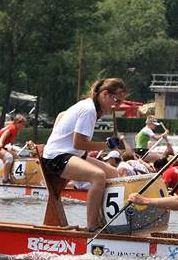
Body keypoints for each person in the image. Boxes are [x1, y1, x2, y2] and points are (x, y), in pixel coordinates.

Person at [40, 78, 124, 230]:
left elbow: (61, 115)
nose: (117, 106)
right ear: (105, 94)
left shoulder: (90, 106)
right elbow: (78, 143)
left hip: (70, 155)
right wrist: (107, 146)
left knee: (113, 173)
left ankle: (103, 220)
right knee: (98, 176)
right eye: (117, 101)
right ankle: (92, 226)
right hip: (57, 158)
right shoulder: (89, 109)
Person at [0, 114, 27, 183]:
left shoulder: (14, 129)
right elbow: (4, 135)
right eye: (23, 125)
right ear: (17, 123)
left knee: (17, 158)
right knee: (9, 157)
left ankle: (15, 178)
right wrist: (1, 143)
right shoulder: (12, 128)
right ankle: (5, 179)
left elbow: (9, 142)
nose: (24, 127)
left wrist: (11, 149)